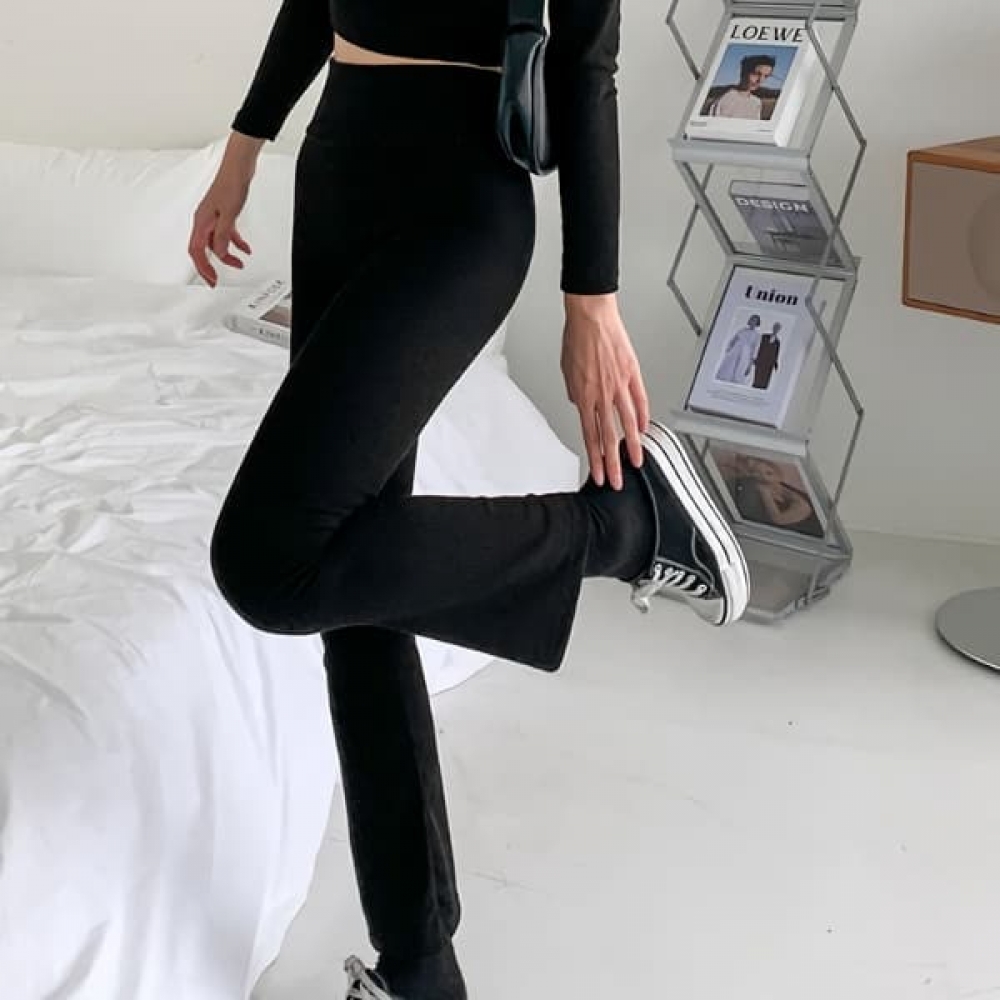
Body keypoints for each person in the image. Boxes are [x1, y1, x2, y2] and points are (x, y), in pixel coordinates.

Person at [188, 2, 751, 998]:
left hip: (458, 198)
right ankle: (417, 966)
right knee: (353, 585)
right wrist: (245, 144)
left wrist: (591, 298)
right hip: (338, 164)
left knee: (273, 560)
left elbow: (585, 66)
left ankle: (623, 525)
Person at [708, 53, 776, 120]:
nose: (761, 80)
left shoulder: (757, 102)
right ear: (743, 72)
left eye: (766, 76)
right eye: (756, 74)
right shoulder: (724, 99)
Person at [716, 313, 761, 385]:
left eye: (755, 321)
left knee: (740, 369)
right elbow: (734, 340)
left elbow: (755, 349)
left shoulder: (756, 335)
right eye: (752, 320)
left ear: (757, 323)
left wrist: (750, 363)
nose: (753, 322)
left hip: (745, 354)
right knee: (729, 367)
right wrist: (729, 349)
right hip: (735, 350)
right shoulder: (742, 330)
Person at [751, 321, 782, 390]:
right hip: (761, 360)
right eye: (775, 327)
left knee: (765, 379)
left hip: (769, 364)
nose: (776, 329)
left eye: (777, 328)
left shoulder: (777, 342)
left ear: (779, 330)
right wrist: (755, 358)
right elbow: (758, 347)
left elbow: (776, 353)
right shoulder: (764, 336)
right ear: (773, 328)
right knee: (757, 377)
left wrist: (775, 364)